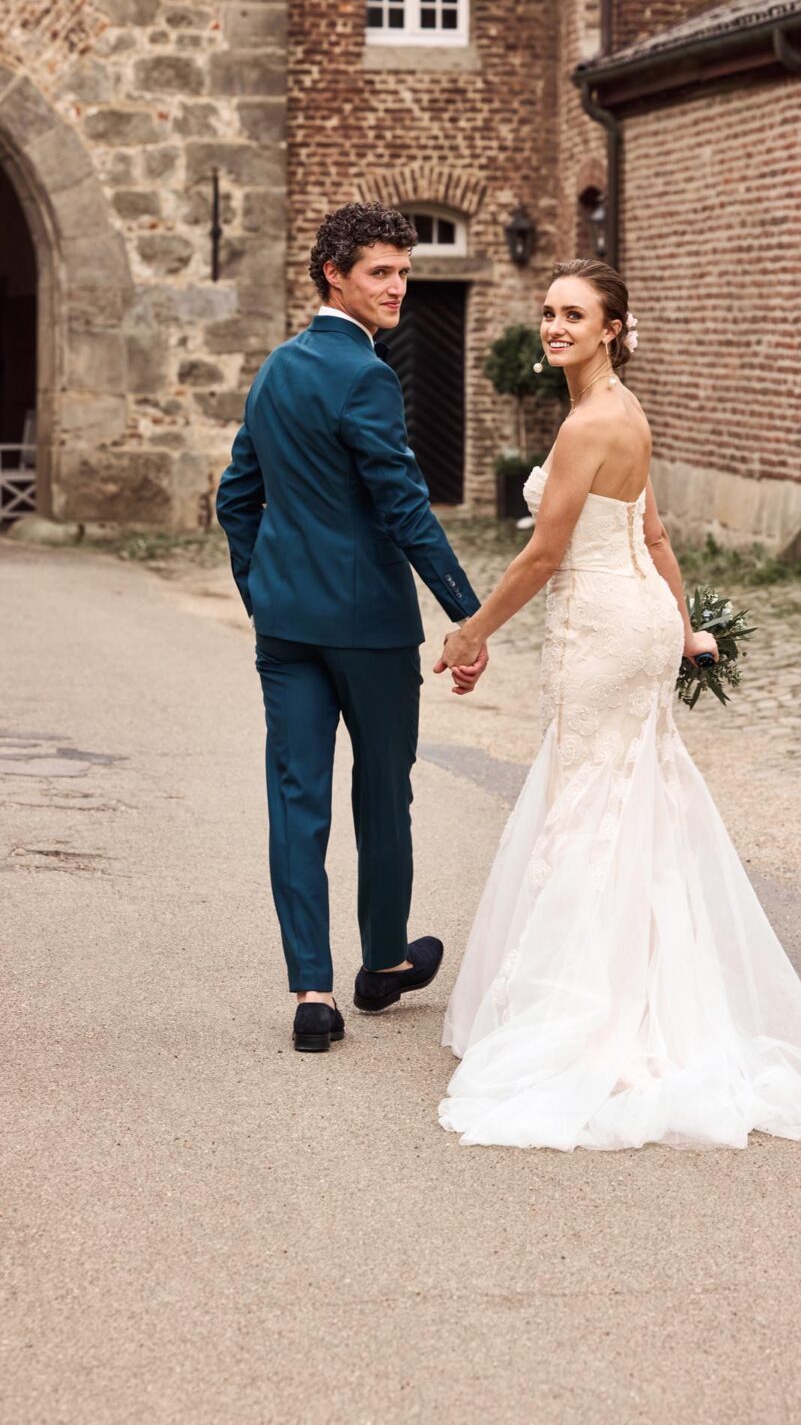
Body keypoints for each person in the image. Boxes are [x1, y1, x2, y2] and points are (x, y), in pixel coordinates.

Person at [435, 259, 801, 1151]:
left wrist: (472, 633)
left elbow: (545, 557)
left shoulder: (590, 424)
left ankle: (588, 1009)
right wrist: (685, 623)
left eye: (574, 316)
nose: (555, 327)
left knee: (588, 807)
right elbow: (651, 532)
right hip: (639, 625)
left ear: (612, 329)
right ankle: (647, 990)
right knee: (631, 803)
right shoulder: (625, 413)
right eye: (548, 313)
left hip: (601, 634)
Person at [216, 202, 487, 1053]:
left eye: (404, 271)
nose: (399, 285)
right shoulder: (365, 375)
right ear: (335, 273)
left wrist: (266, 593)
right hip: (368, 626)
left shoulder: (275, 370)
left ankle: (310, 993)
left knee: (297, 802)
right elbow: (403, 503)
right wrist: (466, 612)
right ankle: (379, 967)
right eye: (382, 271)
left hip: (286, 627)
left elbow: (236, 499)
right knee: (383, 794)